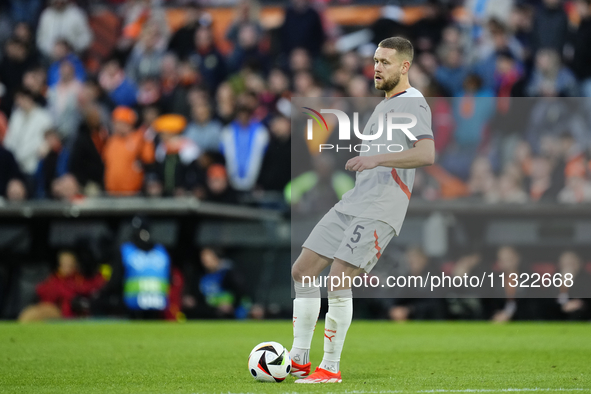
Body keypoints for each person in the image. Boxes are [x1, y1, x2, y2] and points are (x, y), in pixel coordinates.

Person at [290, 37, 435, 383]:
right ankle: (298, 358)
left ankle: (330, 367)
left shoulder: (413, 103)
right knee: (303, 270)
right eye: (375, 61)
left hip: (382, 207)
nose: (377, 67)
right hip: (354, 202)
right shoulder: (382, 106)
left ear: (405, 66)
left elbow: (427, 154)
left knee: (338, 280)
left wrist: (377, 158)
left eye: (385, 62)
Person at [102, 106, 155, 195]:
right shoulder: (112, 141)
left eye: (121, 123)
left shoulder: (139, 138)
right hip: (112, 191)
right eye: (116, 123)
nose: (118, 126)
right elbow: (106, 161)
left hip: (132, 192)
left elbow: (149, 159)